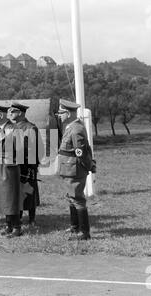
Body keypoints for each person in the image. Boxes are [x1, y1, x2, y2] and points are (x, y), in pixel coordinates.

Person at [56, 99, 95, 240]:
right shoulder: (70, 127)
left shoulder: (76, 129)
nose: (59, 115)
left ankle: (84, 232)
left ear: (67, 113)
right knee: (71, 198)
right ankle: (75, 227)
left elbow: (81, 153)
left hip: (75, 170)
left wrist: (88, 166)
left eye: (60, 113)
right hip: (69, 169)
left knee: (77, 199)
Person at [0, 102, 23, 238]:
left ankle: (17, 227)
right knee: (0, 196)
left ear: (2, 114)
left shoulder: (13, 128)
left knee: (10, 197)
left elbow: (20, 149)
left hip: (9, 166)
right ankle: (8, 225)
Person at [8, 102, 41, 227]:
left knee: (29, 191)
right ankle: (19, 217)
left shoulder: (30, 127)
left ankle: (32, 219)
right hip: (14, 164)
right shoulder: (11, 127)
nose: (10, 113)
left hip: (27, 165)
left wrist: (32, 166)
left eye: (13, 111)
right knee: (17, 192)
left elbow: (35, 149)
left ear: (20, 113)